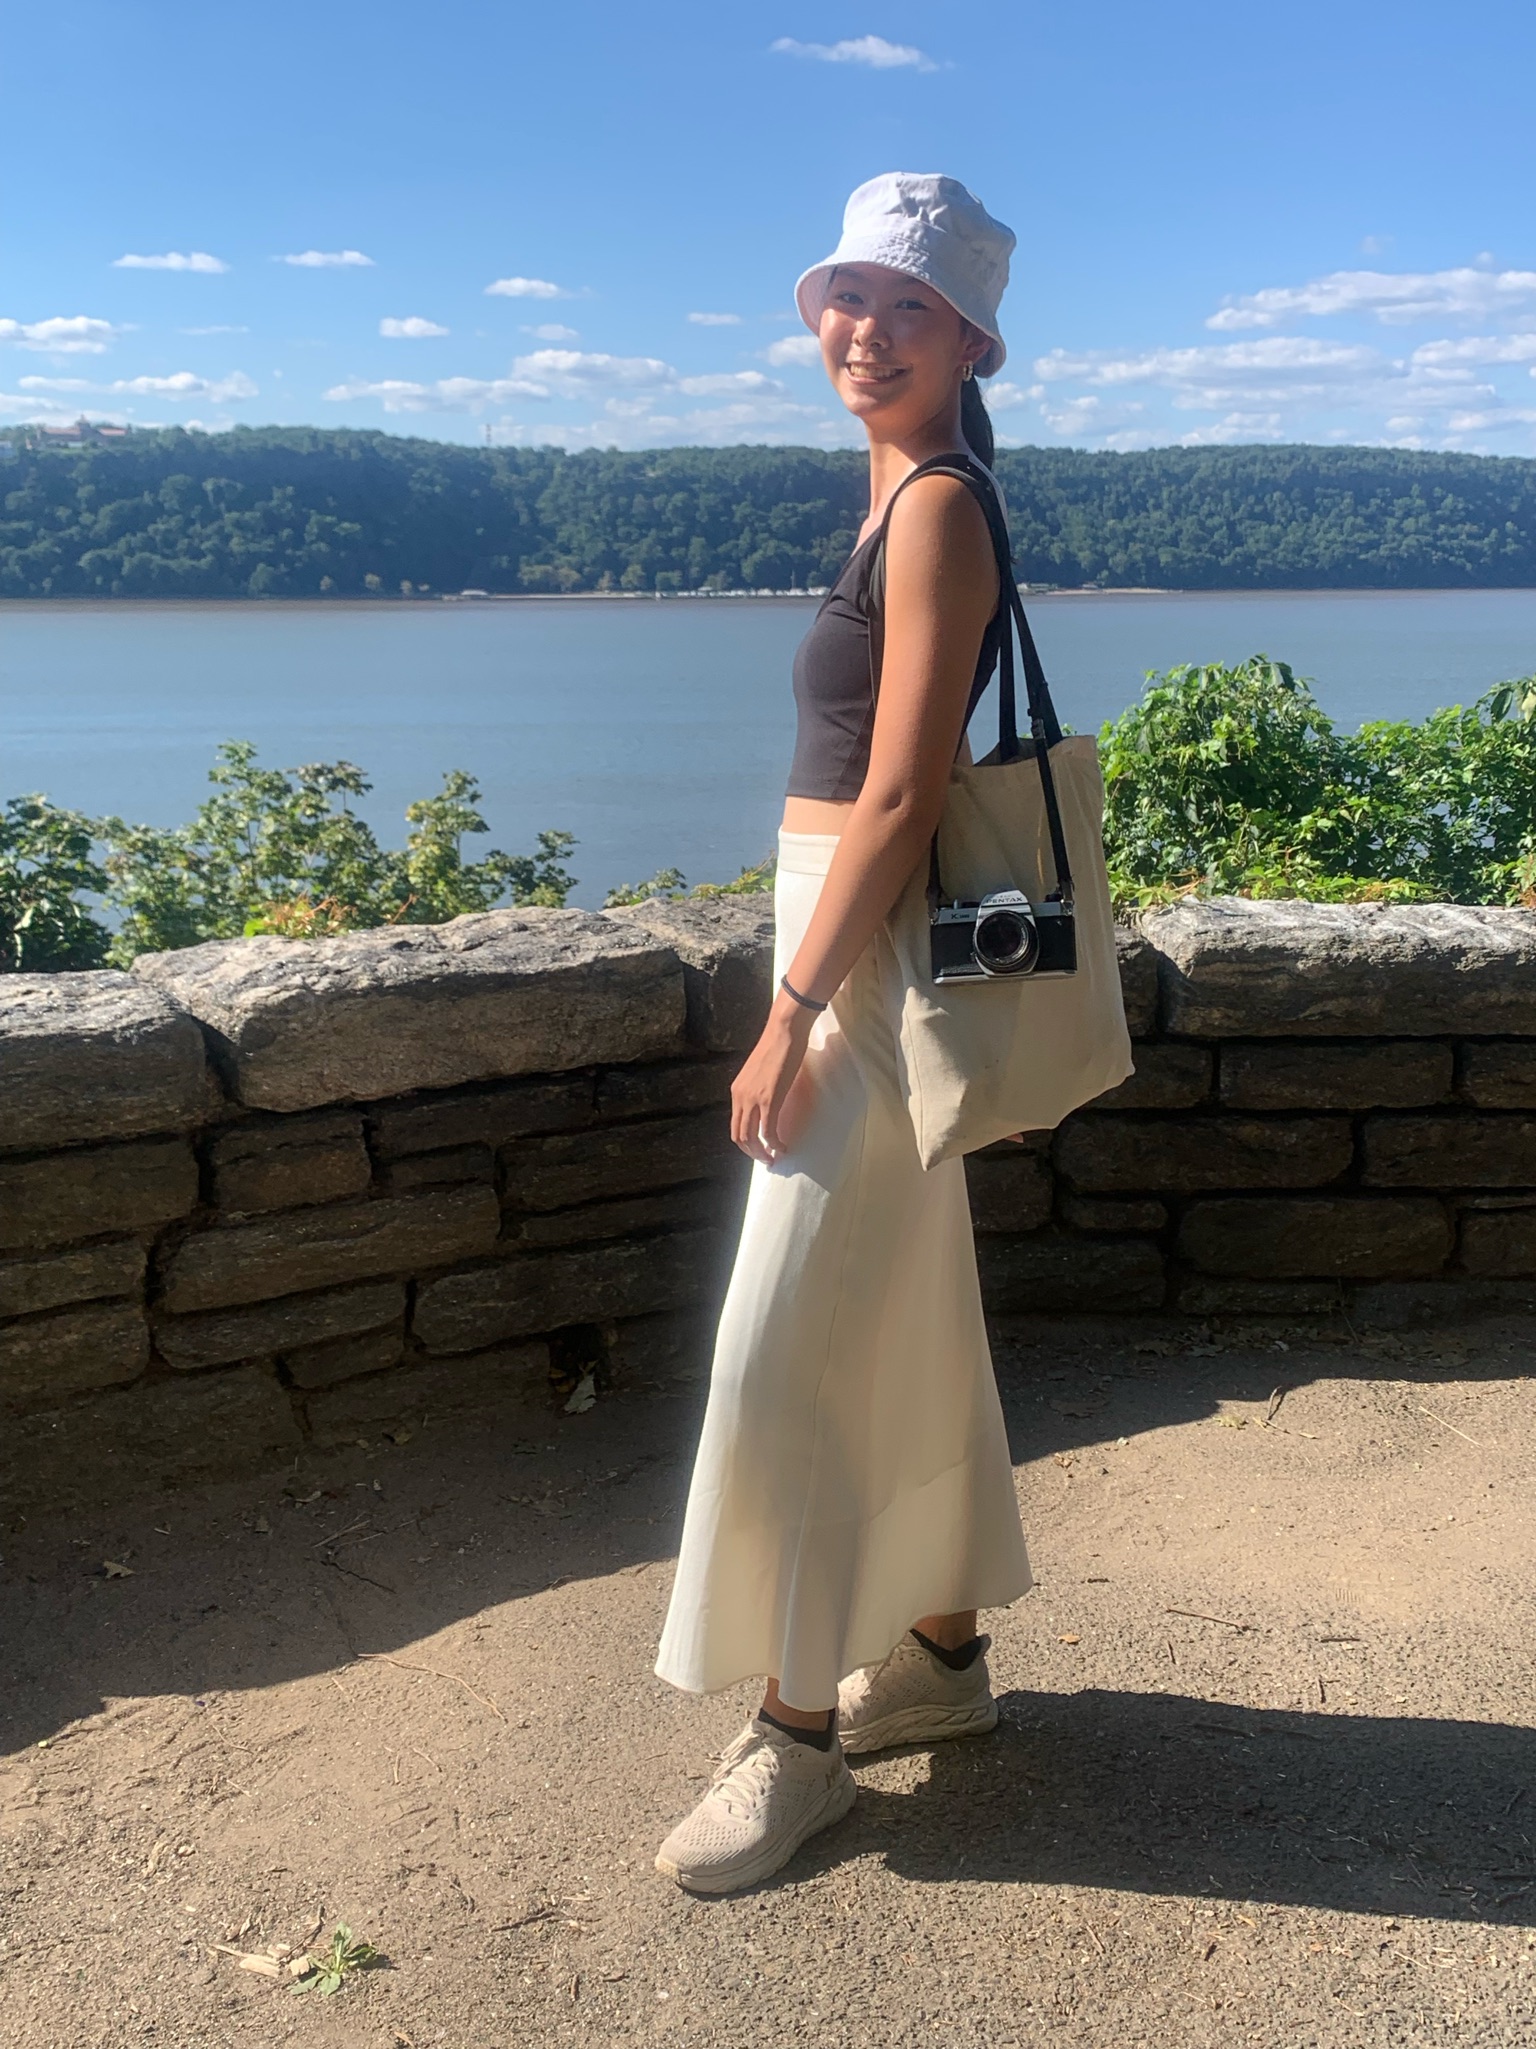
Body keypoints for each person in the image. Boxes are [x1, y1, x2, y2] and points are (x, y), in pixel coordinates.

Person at [653, 173, 1033, 1894]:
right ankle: (939, 1656)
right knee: (905, 1316)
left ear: (972, 340)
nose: (860, 333)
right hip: (849, 945)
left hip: (863, 969)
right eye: (845, 300)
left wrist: (793, 1006)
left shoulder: (939, 505)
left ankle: (800, 1740)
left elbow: (897, 790)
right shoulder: (894, 492)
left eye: (904, 308)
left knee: (783, 1352)